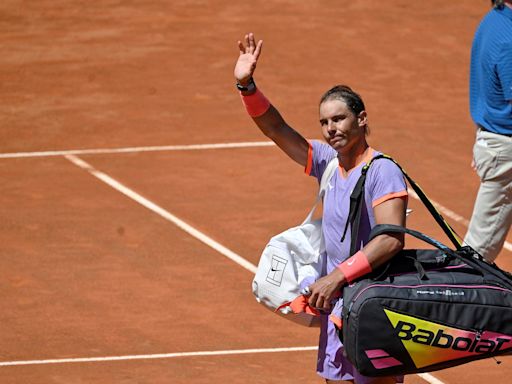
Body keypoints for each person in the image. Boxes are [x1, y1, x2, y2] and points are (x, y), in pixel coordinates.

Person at [234, 33, 408, 384]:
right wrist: (247, 86)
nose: (331, 129)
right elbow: (277, 129)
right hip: (338, 307)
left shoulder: (383, 171)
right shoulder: (329, 162)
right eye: (325, 123)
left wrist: (336, 277)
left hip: (374, 307)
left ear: (361, 119)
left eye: (339, 119)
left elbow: (391, 239)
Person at [464, 0, 512, 263]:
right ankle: (457, 298)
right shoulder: (508, 39)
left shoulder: (495, 19)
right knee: (478, 253)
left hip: (495, 142)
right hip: (506, 152)